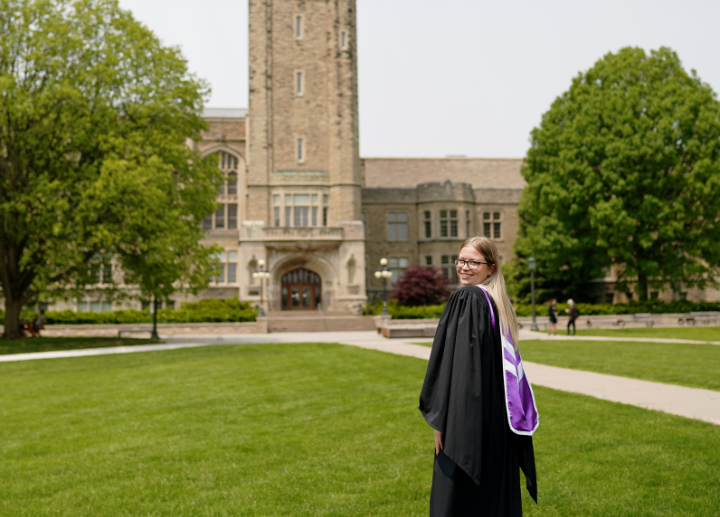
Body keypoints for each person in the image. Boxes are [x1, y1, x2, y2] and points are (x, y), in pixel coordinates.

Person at [419, 237, 539, 516]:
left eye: (474, 262)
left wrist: (444, 421)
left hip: (469, 423)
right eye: (461, 260)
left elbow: (461, 367)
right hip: (497, 421)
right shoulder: (498, 303)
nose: (464, 267)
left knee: (461, 501)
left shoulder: (469, 297)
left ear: (491, 268)